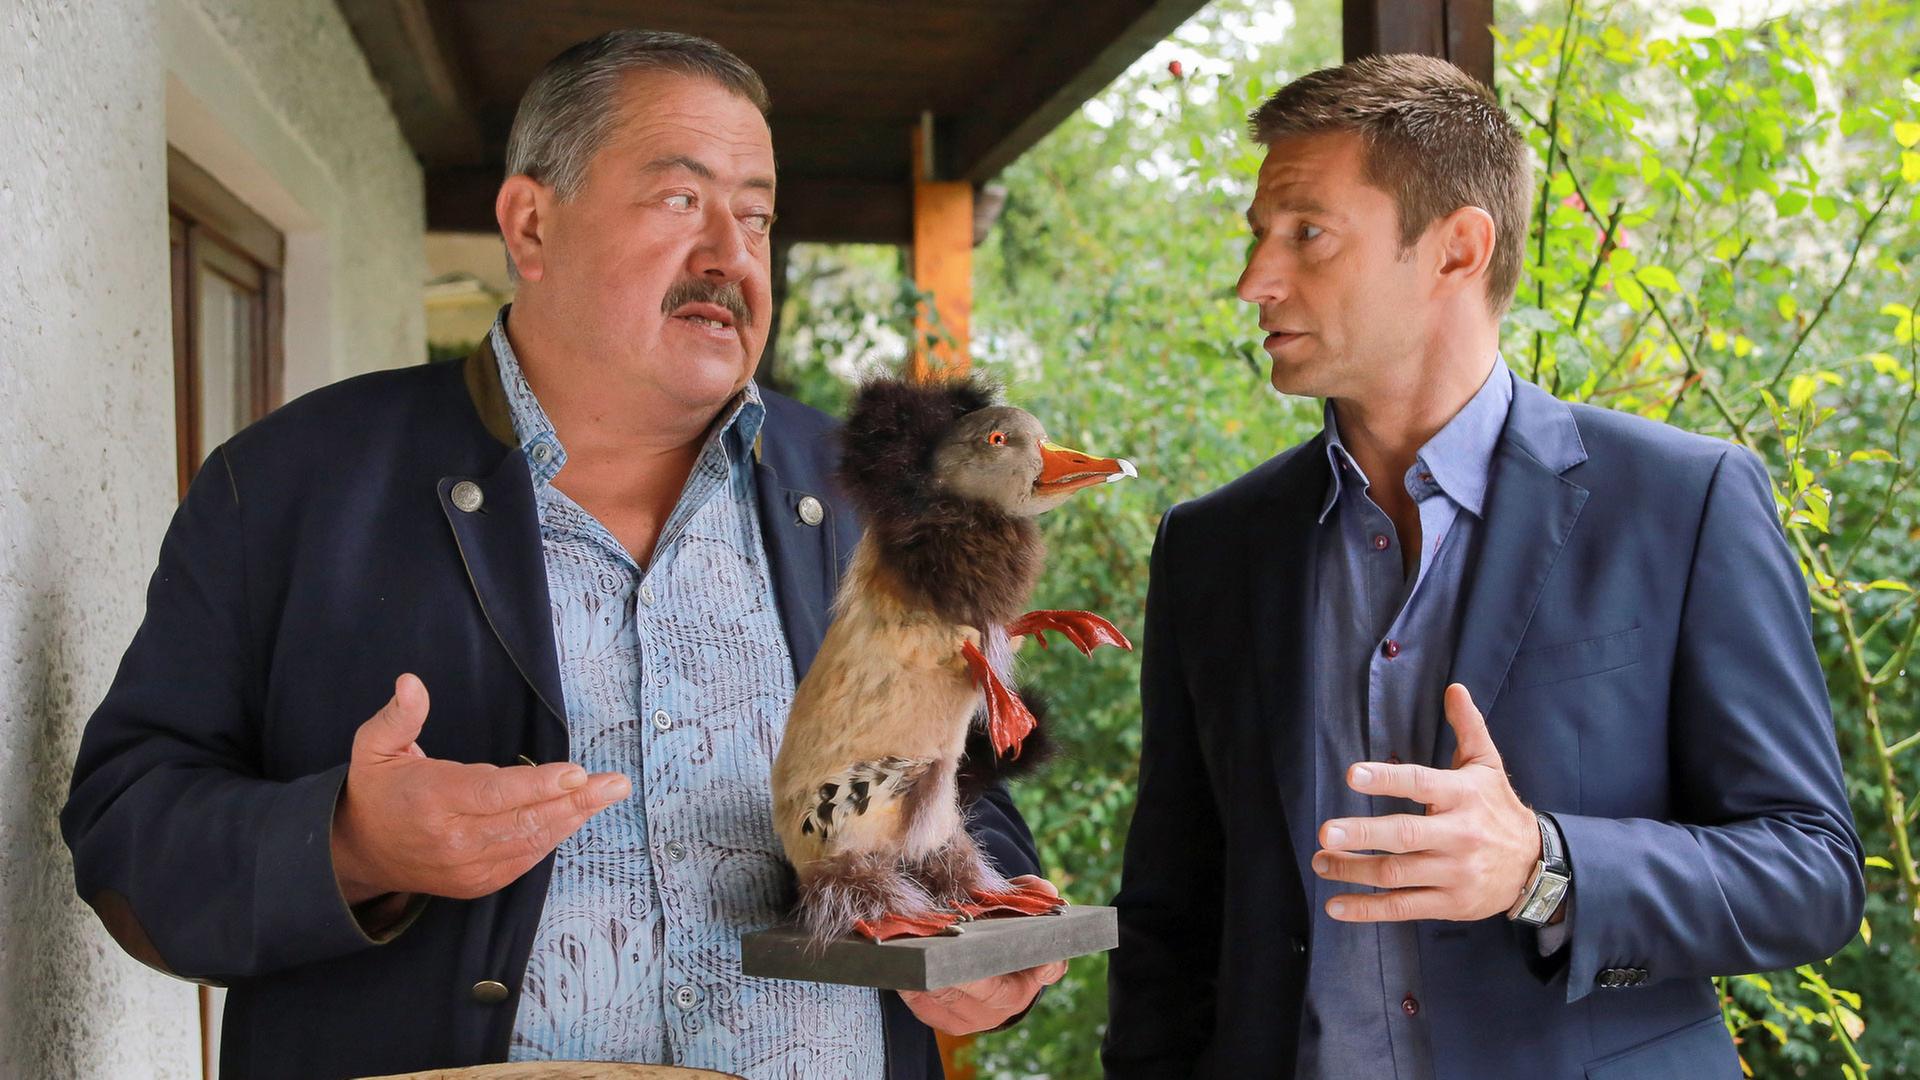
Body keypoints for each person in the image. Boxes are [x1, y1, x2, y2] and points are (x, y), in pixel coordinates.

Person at [62, 29, 1059, 1080]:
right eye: (683, 201)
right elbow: (129, 836)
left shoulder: (871, 501)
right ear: (531, 224)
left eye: (757, 216)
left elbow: (967, 788)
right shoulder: (289, 484)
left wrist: (986, 950)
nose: (731, 253)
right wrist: (349, 845)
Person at [1104, 53, 1863, 1078]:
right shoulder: (1212, 549)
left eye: (1307, 235)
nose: (1256, 280)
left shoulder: (1685, 503)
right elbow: (1170, 920)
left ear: (1458, 249)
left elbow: (1809, 873)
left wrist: (1544, 867)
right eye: (1258, 238)